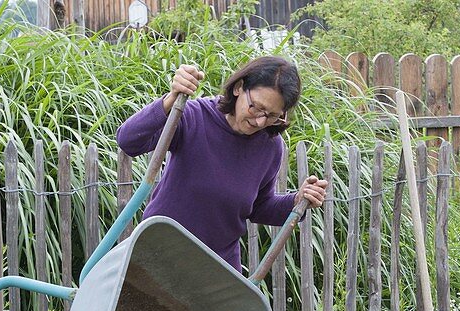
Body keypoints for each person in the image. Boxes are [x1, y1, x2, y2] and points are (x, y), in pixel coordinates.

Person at [116, 56, 329, 272]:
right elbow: (129, 141)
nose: (260, 122)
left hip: (216, 271)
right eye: (256, 108)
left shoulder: (271, 147)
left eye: (273, 115)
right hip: (159, 254)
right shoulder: (194, 117)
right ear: (239, 88)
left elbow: (259, 207)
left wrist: (297, 201)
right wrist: (171, 99)